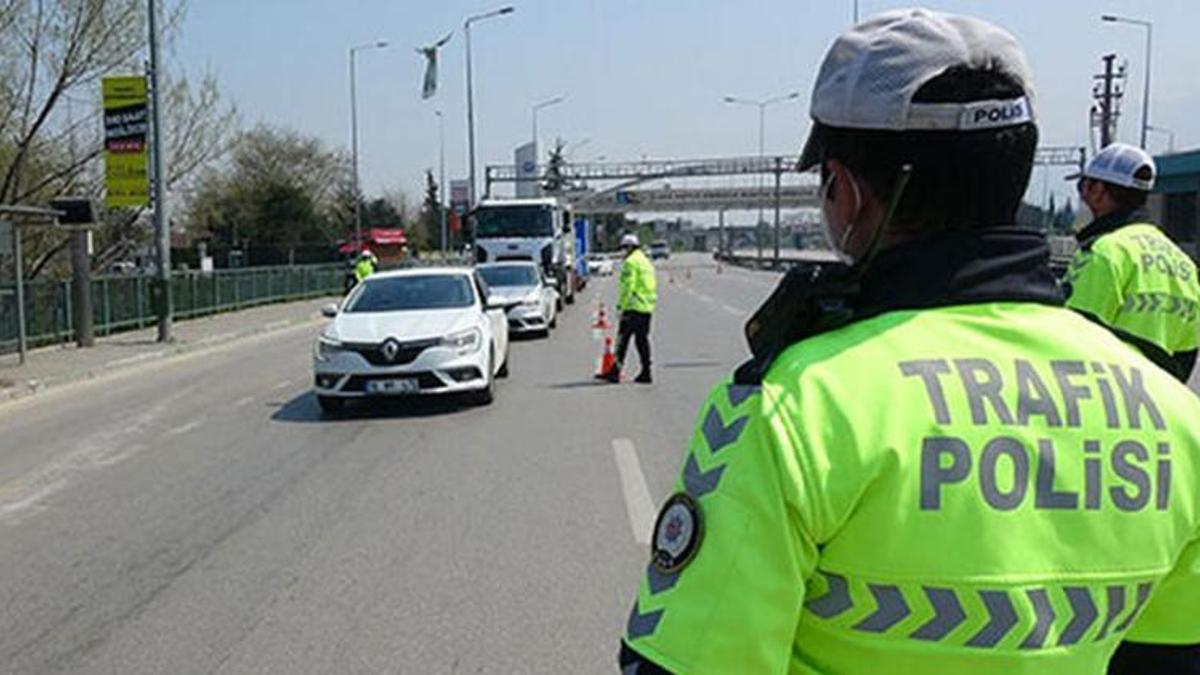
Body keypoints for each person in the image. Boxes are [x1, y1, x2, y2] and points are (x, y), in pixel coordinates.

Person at [619, 9, 1200, 675]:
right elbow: (1170, 658)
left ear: (847, 192)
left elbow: (685, 663)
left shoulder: (792, 408)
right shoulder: (1177, 420)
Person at [1065, 143, 1200, 382]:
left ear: (1097, 191)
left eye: (1083, 185)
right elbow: (1188, 352)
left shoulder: (1104, 253)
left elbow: (1069, 337)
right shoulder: (1184, 265)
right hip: (1158, 407)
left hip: (1103, 403)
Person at [606, 233, 657, 384]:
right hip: (646, 307)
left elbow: (628, 286)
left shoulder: (630, 263)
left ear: (629, 247)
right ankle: (646, 371)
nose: (623, 251)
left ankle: (615, 372)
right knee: (642, 341)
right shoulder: (646, 262)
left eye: (624, 248)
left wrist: (621, 306)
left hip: (632, 306)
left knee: (622, 340)